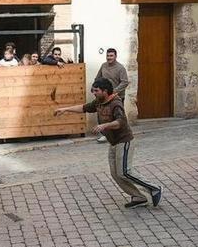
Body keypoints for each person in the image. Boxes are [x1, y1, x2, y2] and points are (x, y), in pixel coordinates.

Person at [53, 78, 161, 209]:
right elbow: (84, 107)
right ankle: (138, 197)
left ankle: (154, 188)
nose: (94, 93)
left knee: (125, 172)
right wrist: (65, 109)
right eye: (93, 91)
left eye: (96, 91)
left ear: (105, 91)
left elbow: (121, 122)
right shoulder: (99, 102)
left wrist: (105, 126)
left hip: (124, 141)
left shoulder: (115, 103)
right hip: (113, 142)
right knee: (116, 174)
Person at [94, 48, 130, 142]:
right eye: (108, 56)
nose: (109, 58)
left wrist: (114, 91)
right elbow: (98, 78)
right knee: (103, 115)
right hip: (104, 97)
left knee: (117, 116)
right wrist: (96, 88)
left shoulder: (120, 68)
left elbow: (125, 82)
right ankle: (105, 134)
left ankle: (120, 134)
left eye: (111, 56)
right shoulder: (103, 66)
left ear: (115, 56)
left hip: (116, 97)